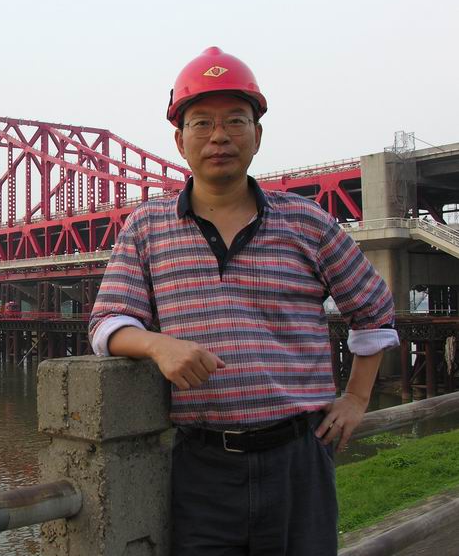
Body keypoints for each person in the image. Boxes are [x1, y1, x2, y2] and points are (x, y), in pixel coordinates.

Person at [88, 46, 399, 555]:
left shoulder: (307, 221)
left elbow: (374, 309)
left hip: (299, 457)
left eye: (236, 120)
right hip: (202, 465)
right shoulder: (146, 227)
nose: (219, 136)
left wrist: (358, 398)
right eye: (202, 123)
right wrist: (158, 345)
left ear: (257, 134)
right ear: (180, 139)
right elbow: (107, 322)